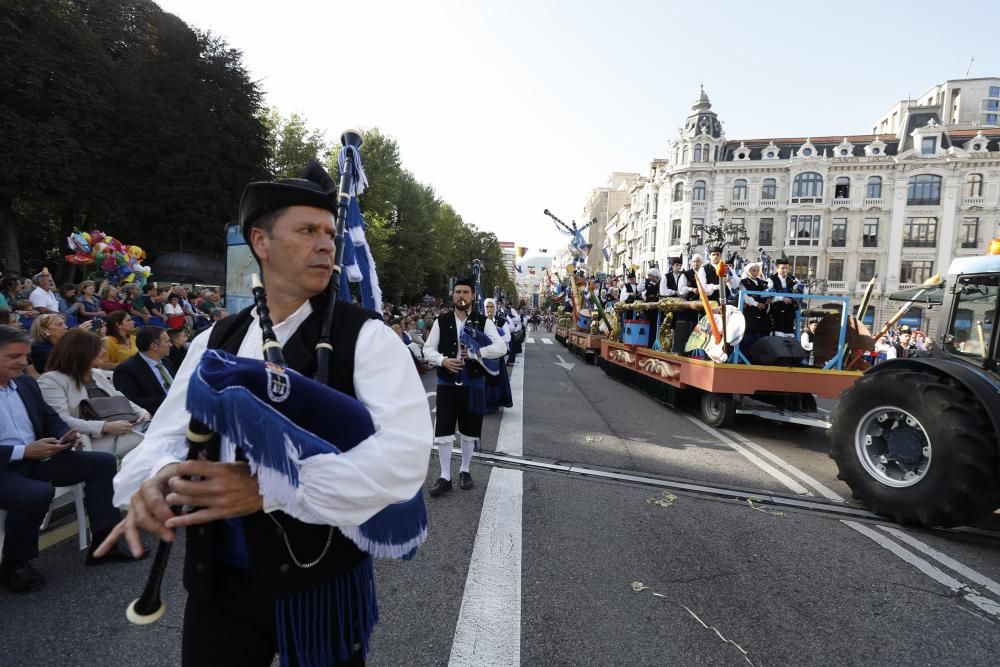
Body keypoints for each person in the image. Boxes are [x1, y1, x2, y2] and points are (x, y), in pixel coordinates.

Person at [96, 162, 432, 667]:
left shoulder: (367, 338)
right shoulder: (218, 338)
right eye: (307, 231)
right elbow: (166, 434)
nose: (325, 245)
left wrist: (270, 489)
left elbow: (403, 458)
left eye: (329, 233)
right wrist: (158, 475)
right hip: (219, 586)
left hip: (318, 589)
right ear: (261, 241)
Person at [0, 326, 136, 594]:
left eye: (25, 356)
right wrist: (24, 452)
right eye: (13, 356)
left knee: (101, 463)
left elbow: (51, 418)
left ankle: (103, 543)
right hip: (7, 465)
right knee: (36, 493)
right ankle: (14, 564)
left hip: (39, 456)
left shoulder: (25, 384)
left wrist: (65, 435)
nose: (23, 362)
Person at [423, 278, 506, 495]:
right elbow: (427, 350)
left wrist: (477, 353)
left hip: (473, 385)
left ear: (472, 296)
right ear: (453, 295)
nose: (461, 295)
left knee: (469, 431)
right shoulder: (442, 321)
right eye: (458, 291)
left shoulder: (482, 321)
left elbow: (501, 347)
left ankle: (465, 470)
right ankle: (444, 476)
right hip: (446, 384)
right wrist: (443, 361)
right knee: (443, 431)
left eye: (465, 292)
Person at [38, 329, 149, 457]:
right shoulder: (51, 380)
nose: (103, 352)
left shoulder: (97, 374)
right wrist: (104, 427)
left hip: (116, 432)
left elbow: (118, 397)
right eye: (98, 349)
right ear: (82, 352)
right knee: (153, 441)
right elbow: (60, 420)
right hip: (86, 440)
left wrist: (141, 412)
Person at [112, 326, 176, 415]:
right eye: (167, 341)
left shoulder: (166, 361)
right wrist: (169, 399)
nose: (171, 344)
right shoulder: (127, 369)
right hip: (157, 415)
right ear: (154, 346)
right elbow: (129, 401)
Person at [739, 262, 771, 349]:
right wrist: (756, 303)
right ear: (748, 271)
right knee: (749, 336)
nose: (756, 273)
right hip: (750, 313)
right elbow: (744, 296)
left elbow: (767, 294)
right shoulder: (743, 282)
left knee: (761, 336)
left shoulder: (763, 283)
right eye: (753, 270)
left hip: (762, 312)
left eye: (757, 271)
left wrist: (768, 299)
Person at [768, 258, 800, 337]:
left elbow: (801, 290)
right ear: (777, 268)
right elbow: (769, 295)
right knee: (778, 329)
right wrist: (782, 298)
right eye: (782, 268)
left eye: (787, 268)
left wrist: (799, 291)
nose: (785, 270)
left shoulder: (793, 279)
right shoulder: (771, 279)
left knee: (789, 328)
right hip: (777, 308)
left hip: (790, 307)